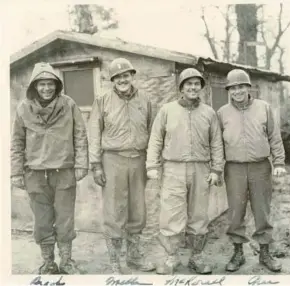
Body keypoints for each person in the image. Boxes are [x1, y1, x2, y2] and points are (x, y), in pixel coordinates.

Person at [10, 62, 89, 275]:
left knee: (65, 218)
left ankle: (66, 261)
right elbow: (17, 142)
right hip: (34, 174)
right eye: (42, 84)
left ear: (56, 85)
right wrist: (16, 172)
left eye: (50, 84)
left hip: (63, 171)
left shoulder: (69, 105)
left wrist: (81, 164)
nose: (46, 88)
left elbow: (80, 135)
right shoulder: (23, 109)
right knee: (42, 221)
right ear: (34, 86)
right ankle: (48, 262)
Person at [146, 68, 224, 275]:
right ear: (181, 88)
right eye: (188, 84)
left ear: (201, 87)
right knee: (171, 214)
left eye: (196, 84)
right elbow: (155, 139)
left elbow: (216, 142)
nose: (192, 87)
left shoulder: (209, 113)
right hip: (173, 168)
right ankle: (171, 257)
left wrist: (217, 169)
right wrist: (152, 166)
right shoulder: (167, 110)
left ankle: (196, 257)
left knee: (198, 215)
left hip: (201, 168)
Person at [88, 58, 155, 274]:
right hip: (112, 160)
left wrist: (152, 161)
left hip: (138, 159)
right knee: (114, 210)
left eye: (126, 75)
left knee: (137, 208)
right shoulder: (102, 100)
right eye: (117, 77)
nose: (122, 80)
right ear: (112, 80)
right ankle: (115, 260)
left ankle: (134, 257)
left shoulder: (145, 99)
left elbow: (154, 132)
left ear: (132, 76)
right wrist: (96, 164)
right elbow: (94, 133)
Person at [217, 69, 287, 273]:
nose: (237, 91)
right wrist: (216, 168)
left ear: (249, 88)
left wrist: (279, 162)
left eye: (241, 86)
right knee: (236, 212)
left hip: (260, 167)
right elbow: (217, 144)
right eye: (233, 88)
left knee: (261, 210)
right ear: (229, 90)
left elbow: (275, 137)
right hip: (234, 168)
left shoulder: (263, 108)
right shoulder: (222, 113)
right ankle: (238, 253)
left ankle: (265, 252)